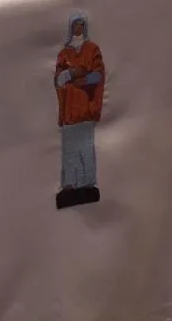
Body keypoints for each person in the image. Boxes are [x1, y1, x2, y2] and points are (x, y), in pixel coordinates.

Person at [55, 13, 104, 208]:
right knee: (70, 151)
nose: (78, 29)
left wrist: (84, 79)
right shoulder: (64, 54)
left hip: (84, 109)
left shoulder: (92, 50)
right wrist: (69, 73)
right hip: (69, 112)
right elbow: (58, 79)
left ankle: (86, 183)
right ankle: (70, 184)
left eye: (80, 25)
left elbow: (98, 76)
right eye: (75, 25)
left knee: (85, 149)